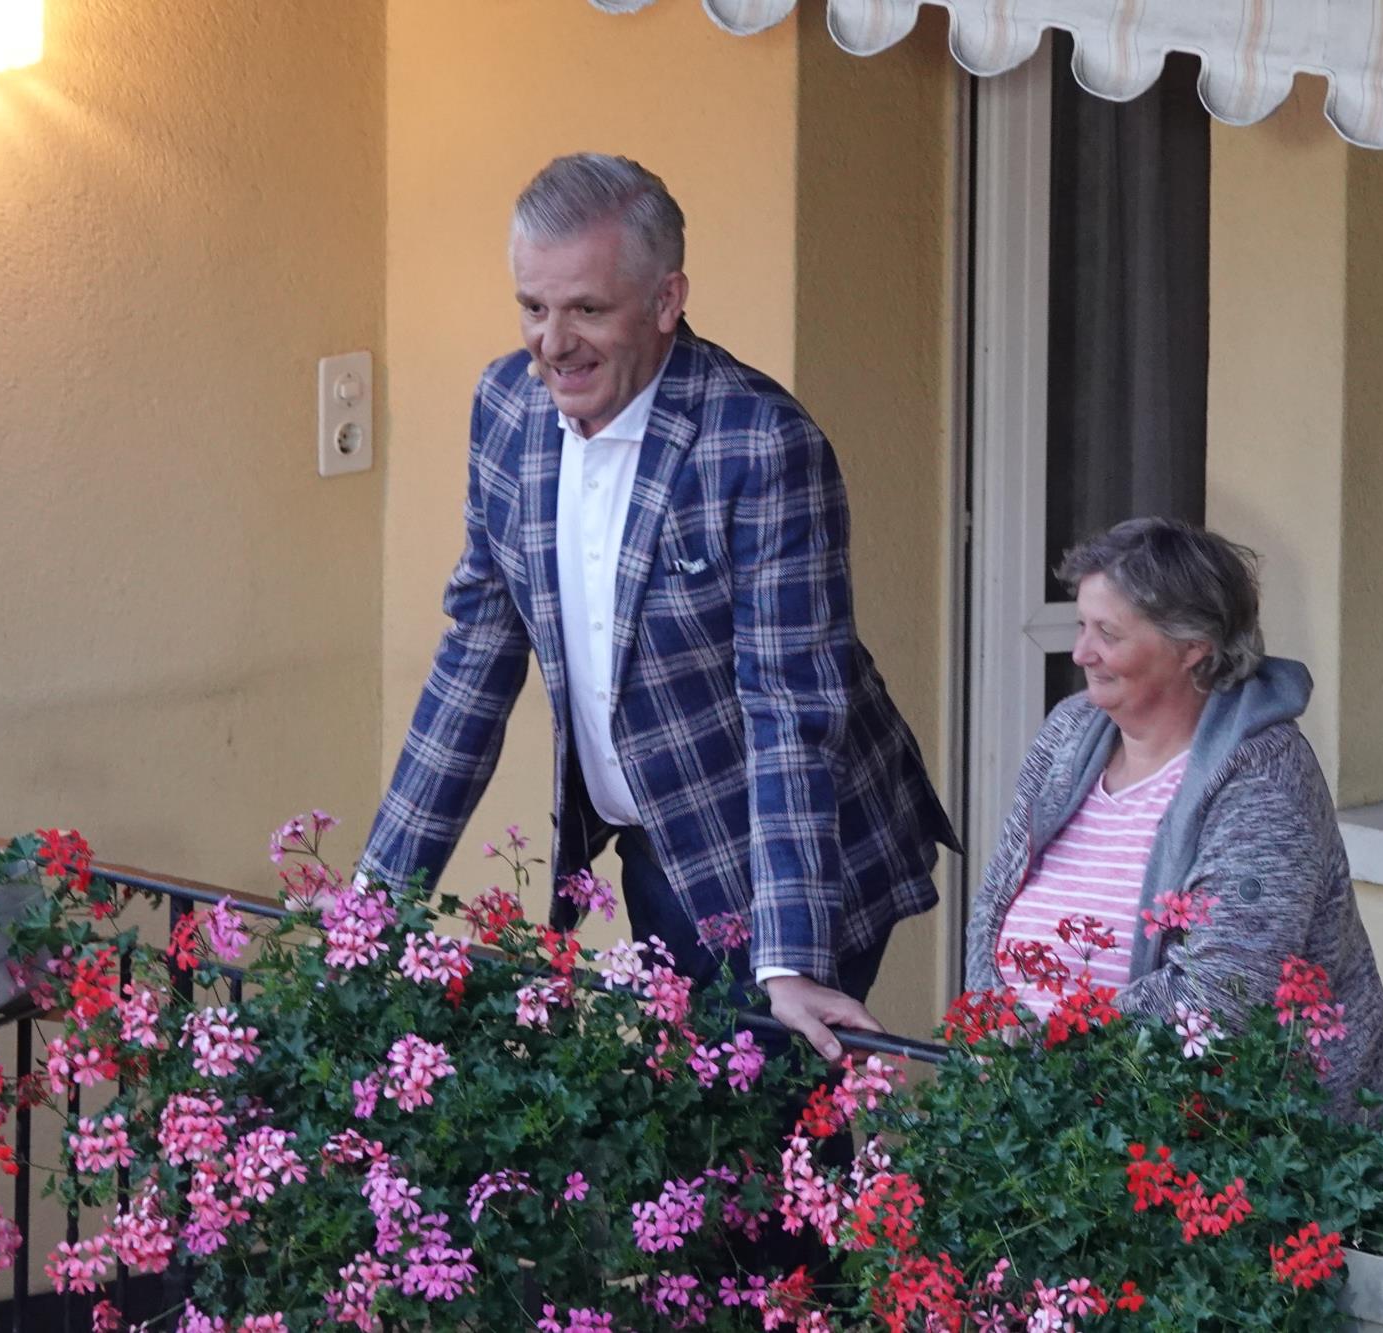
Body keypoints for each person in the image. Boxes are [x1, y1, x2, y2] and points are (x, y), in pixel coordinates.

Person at [362, 153, 957, 1060]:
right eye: (533, 307)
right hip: (656, 840)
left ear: (667, 300)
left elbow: (790, 707)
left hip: (787, 843)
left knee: (759, 1134)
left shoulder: (762, 444)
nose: (551, 343)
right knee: (694, 1140)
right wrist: (377, 898)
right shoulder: (505, 410)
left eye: (587, 310)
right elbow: (476, 655)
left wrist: (789, 956)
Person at [965, 517, 1383, 1120]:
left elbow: (1222, 993)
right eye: (1080, 626)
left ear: (1193, 647)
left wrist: (1044, 1062)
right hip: (1055, 1125)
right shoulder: (1070, 732)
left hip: (1244, 1153)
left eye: (1108, 633)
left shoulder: (1261, 773)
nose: (1081, 652)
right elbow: (995, 903)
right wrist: (993, 1033)